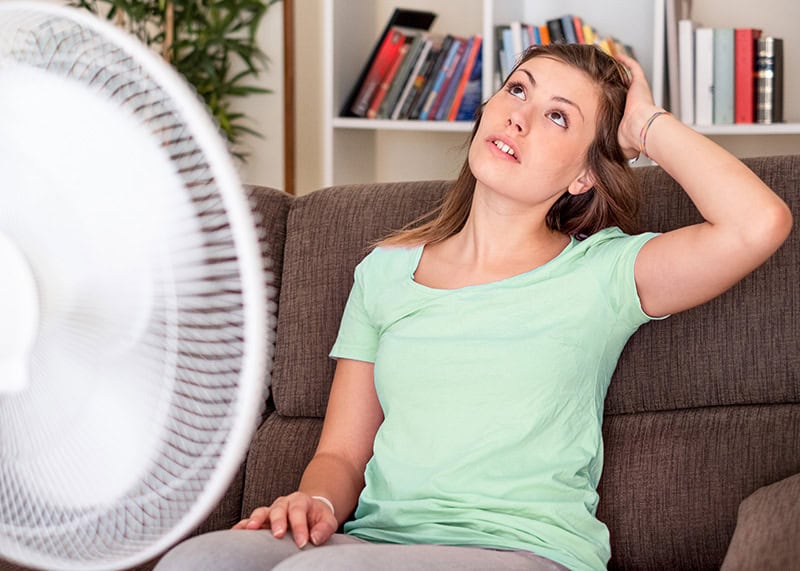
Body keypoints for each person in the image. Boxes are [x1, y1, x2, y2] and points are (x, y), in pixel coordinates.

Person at [155, 43, 792, 571]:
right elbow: (344, 454)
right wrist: (314, 500)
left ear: (584, 177)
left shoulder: (604, 271)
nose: (519, 117)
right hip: (374, 545)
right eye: (518, 90)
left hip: (523, 551)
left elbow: (757, 224)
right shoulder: (384, 272)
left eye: (558, 117)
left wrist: (645, 125)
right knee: (200, 562)